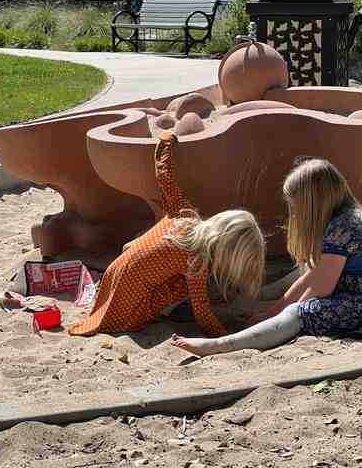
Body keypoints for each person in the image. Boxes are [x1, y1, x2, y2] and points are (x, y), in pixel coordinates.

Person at [171, 158, 362, 356]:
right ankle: (265, 310)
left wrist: (285, 314)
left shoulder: (342, 228)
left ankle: (221, 345)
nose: (294, 212)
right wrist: (270, 314)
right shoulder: (352, 217)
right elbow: (311, 277)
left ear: (313, 203)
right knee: (306, 271)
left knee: (299, 313)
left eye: (297, 206)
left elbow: (321, 288)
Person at [68, 132, 265, 337]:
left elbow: (165, 177)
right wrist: (225, 337)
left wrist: (165, 143)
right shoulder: (196, 262)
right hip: (127, 314)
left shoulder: (184, 215)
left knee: (175, 273)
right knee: (183, 287)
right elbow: (203, 313)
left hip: (112, 281)